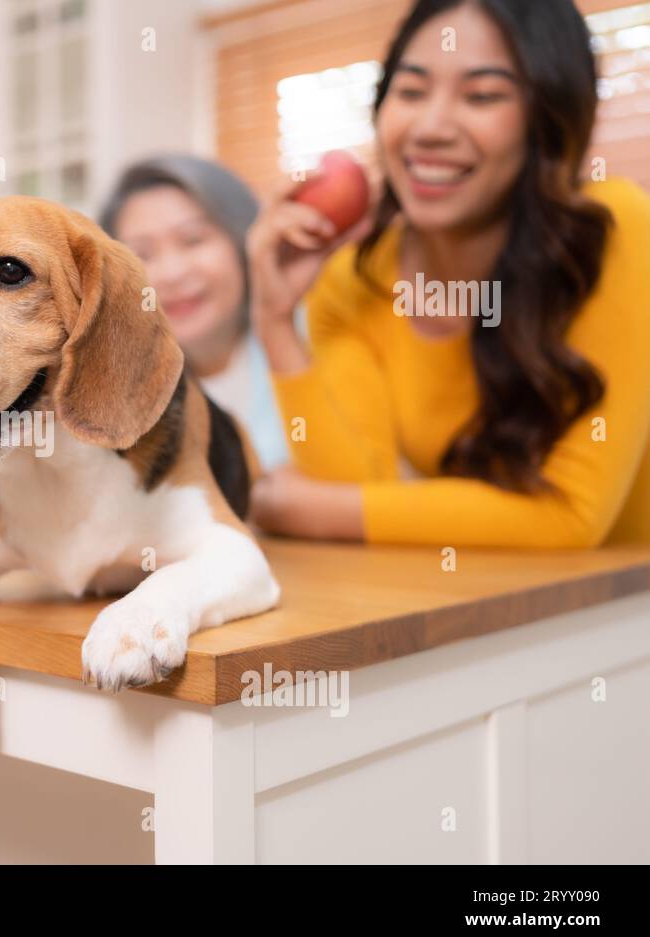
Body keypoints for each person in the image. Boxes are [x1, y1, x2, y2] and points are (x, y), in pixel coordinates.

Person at [246, 0, 650, 546]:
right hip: (484, 603)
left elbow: (571, 514)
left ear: (547, 120)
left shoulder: (611, 231)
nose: (431, 127)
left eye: (482, 95)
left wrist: (299, 509)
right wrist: (273, 320)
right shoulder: (354, 278)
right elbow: (356, 484)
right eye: (411, 92)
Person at [100, 155, 289, 468]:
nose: (172, 273)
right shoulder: (118, 397)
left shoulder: (310, 334)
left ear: (243, 239)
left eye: (193, 240)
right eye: (142, 254)